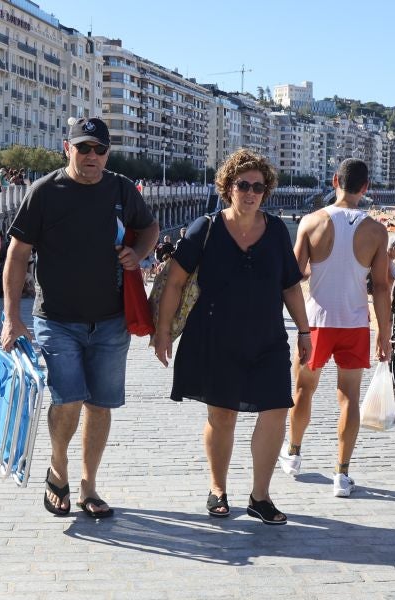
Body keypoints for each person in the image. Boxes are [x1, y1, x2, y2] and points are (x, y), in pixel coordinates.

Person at [1, 117, 159, 519]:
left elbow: (150, 228)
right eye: (83, 148)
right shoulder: (45, 192)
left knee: (100, 405)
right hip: (57, 319)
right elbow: (17, 254)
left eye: (99, 150)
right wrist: (10, 317)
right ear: (66, 148)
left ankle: (89, 486)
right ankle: (59, 470)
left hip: (111, 320)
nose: (92, 156)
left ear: (107, 153)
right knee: (68, 399)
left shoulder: (122, 189)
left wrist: (138, 254)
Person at [153, 148, 311, 525]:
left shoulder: (274, 231)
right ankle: (218, 488)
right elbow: (174, 283)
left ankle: (260, 496)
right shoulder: (204, 229)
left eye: (258, 186)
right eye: (243, 185)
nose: (251, 192)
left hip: (268, 339)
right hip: (214, 338)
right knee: (222, 415)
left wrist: (305, 331)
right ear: (228, 187)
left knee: (275, 410)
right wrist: (162, 332)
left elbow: (290, 286)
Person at [280, 158, 391, 498]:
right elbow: (382, 287)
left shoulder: (312, 222)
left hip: (315, 322)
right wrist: (384, 334)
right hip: (355, 323)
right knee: (349, 399)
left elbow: (293, 277)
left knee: (303, 391)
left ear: (334, 181)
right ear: (366, 188)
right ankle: (341, 475)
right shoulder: (376, 230)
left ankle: (294, 453)